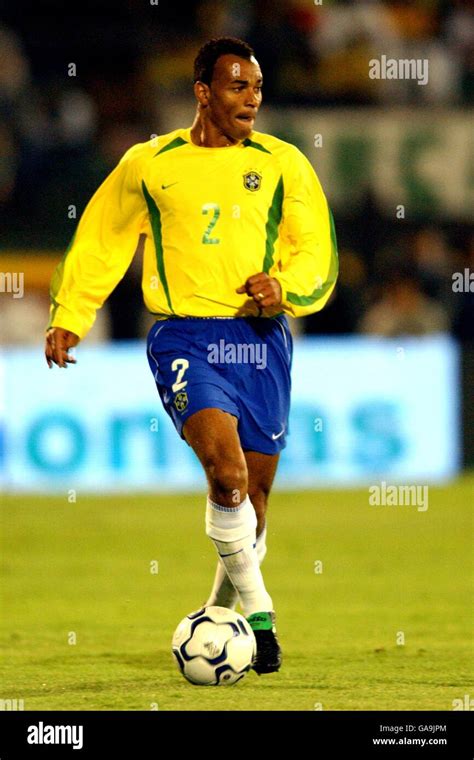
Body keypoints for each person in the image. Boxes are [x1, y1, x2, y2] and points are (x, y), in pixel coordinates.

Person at [44, 37, 338, 675]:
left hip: (261, 344)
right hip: (185, 337)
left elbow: (319, 253)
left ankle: (216, 614)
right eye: (238, 87)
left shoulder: (285, 164)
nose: (252, 100)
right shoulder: (151, 163)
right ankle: (260, 617)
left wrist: (286, 288)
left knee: (254, 500)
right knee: (226, 473)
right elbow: (102, 235)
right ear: (203, 92)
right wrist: (71, 312)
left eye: (257, 88)